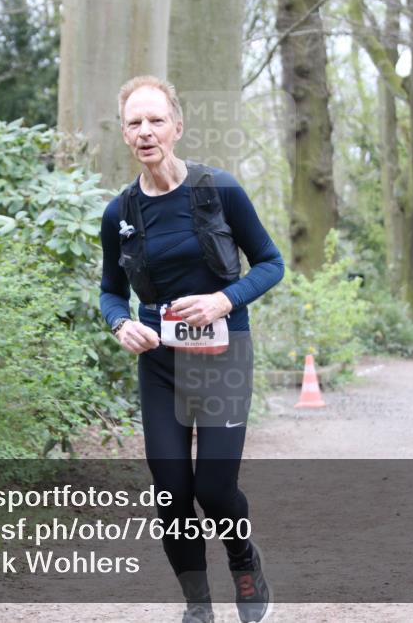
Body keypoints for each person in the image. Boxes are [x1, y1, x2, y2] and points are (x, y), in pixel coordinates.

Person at [99, 75, 284, 623]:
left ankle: (245, 566)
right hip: (160, 362)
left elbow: (271, 263)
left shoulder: (219, 190)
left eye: (156, 120)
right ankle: (197, 604)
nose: (146, 131)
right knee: (172, 493)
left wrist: (224, 301)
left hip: (222, 353)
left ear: (177, 127)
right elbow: (111, 290)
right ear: (125, 134)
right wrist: (119, 324)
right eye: (135, 122)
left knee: (215, 488)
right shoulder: (121, 213)